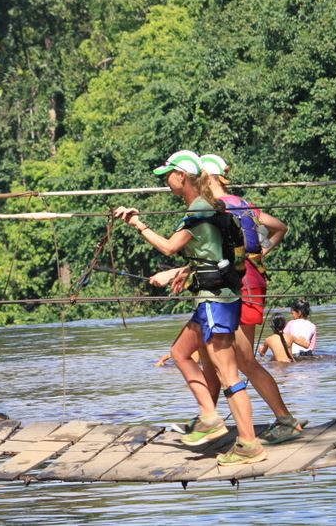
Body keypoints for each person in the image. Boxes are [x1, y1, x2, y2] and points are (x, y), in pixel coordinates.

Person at [113, 150, 266, 466]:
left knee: (228, 374)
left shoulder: (198, 211)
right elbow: (210, 256)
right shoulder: (210, 207)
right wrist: (185, 272)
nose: (165, 181)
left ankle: (248, 443)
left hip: (215, 301)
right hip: (216, 297)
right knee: (180, 352)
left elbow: (170, 247)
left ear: (181, 176)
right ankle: (208, 416)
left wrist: (138, 224)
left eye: (167, 176)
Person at [199, 153, 303, 442]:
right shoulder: (243, 204)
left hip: (242, 286)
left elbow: (216, 252)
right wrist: (259, 254)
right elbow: (279, 227)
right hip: (253, 281)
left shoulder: (218, 209)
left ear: (206, 178)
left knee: (243, 360)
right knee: (221, 355)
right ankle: (206, 418)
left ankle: (285, 420)